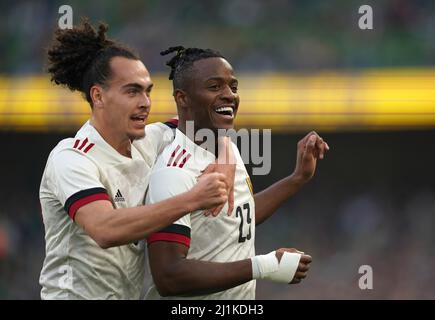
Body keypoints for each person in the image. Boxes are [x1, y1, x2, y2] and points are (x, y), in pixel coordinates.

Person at [39, 21, 233, 300]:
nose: (146, 102)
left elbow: (206, 122)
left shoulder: (149, 141)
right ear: (98, 96)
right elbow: (105, 229)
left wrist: (225, 160)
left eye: (148, 91)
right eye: (132, 91)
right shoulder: (72, 157)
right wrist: (193, 198)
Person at [145, 46, 329, 299]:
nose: (229, 95)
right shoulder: (173, 172)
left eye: (233, 86)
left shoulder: (226, 148)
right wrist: (265, 265)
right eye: (214, 87)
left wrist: (297, 179)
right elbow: (169, 277)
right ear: (182, 98)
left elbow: (238, 216)